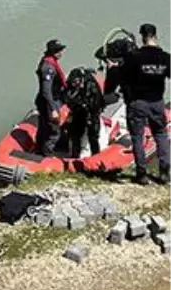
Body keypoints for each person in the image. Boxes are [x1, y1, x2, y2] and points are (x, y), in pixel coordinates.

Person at [105, 23, 171, 184]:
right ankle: (164, 173)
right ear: (155, 36)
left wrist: (113, 68)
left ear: (142, 37)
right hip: (157, 101)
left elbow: (121, 77)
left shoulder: (134, 57)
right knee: (161, 135)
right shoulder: (166, 58)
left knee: (137, 137)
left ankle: (141, 174)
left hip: (137, 103)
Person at [62, 66, 105, 159]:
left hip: (92, 111)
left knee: (93, 135)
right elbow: (66, 97)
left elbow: (96, 104)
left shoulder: (91, 85)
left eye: (76, 82)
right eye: (73, 82)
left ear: (81, 79)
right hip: (78, 110)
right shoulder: (70, 86)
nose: (74, 84)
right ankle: (74, 156)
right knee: (75, 134)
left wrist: (90, 117)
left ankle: (95, 156)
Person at [34, 39, 67, 157]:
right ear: (54, 52)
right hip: (50, 102)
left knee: (43, 127)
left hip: (45, 101)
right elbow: (46, 91)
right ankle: (47, 154)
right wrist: (53, 109)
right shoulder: (49, 68)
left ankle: (39, 149)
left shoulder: (48, 61)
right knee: (55, 130)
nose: (61, 53)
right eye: (59, 51)